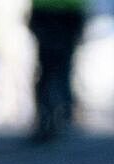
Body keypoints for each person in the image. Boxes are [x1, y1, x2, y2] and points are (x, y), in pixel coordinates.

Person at [28, 0, 87, 144]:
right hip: (64, 12)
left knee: (50, 68)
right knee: (60, 66)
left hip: (52, 12)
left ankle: (51, 114)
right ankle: (58, 114)